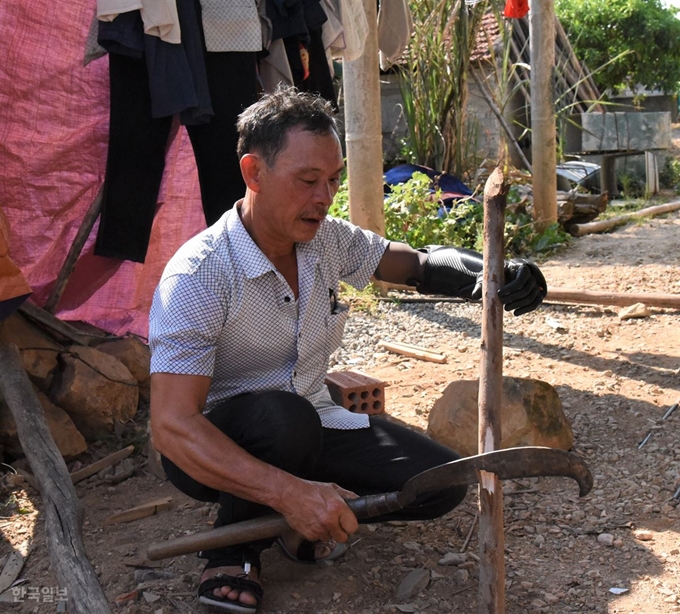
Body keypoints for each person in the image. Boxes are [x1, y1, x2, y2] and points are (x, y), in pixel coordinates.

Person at [148, 84, 547, 613]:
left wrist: (494, 272)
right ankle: (236, 548)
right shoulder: (200, 275)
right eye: (308, 180)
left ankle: (297, 518)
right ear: (253, 173)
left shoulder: (327, 241)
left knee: (439, 484)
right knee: (282, 419)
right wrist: (289, 492)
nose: (324, 196)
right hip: (215, 447)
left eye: (332, 179)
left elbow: (418, 264)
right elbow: (173, 426)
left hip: (313, 421)